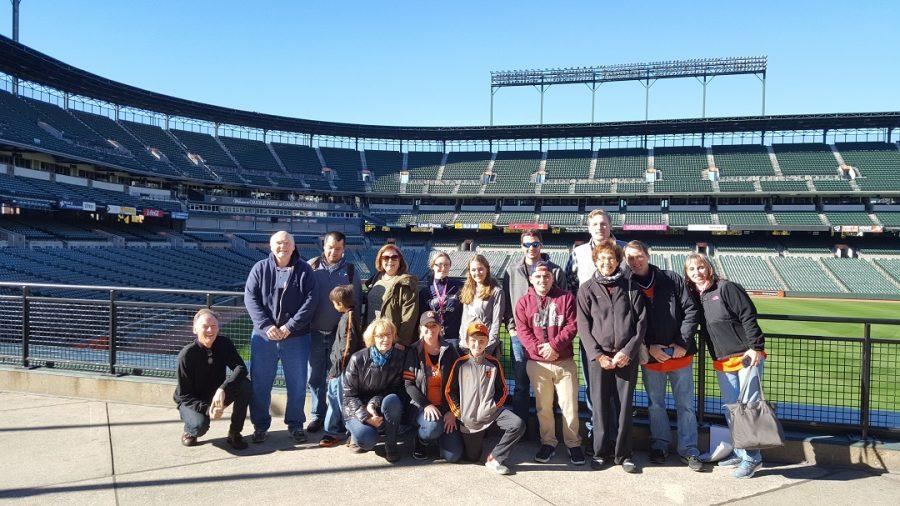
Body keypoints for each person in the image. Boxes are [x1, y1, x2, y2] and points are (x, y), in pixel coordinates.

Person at [684, 253, 767, 479]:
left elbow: (748, 315)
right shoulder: (696, 295)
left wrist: (756, 347)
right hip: (722, 359)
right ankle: (741, 452)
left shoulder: (726, 287)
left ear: (708, 268)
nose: (697, 272)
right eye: (692, 270)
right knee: (732, 408)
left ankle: (753, 458)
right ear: (688, 275)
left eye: (700, 267)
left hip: (746, 356)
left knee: (747, 408)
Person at [624, 241, 702, 472]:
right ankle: (660, 445)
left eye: (639, 256)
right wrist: (649, 347)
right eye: (630, 258)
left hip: (680, 354)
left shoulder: (671, 278)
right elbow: (629, 322)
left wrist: (682, 343)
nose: (635, 261)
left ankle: (689, 450)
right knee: (655, 405)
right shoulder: (627, 284)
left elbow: (691, 310)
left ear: (648, 255)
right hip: (651, 357)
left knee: (685, 405)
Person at [576, 239, 647, 473]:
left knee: (625, 406)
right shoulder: (586, 288)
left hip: (626, 358)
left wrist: (627, 351)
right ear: (596, 260)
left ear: (618, 261)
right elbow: (583, 327)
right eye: (602, 258)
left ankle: (624, 454)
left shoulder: (630, 287)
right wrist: (597, 355)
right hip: (599, 359)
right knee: (599, 406)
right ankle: (599, 452)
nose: (606, 262)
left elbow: (641, 324)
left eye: (611, 258)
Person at [244, 231, 319, 444]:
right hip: (263, 338)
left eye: (287, 243)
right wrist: (266, 326)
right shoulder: (259, 268)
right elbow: (250, 298)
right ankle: (260, 426)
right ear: (271, 246)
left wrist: (290, 326)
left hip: (296, 337)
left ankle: (295, 425)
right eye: (278, 242)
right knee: (260, 383)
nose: (282, 246)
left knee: (296, 384)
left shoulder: (304, 270)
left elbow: (311, 301)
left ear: (294, 247)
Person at [565, 209, 626, 450]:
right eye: (595, 224)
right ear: (589, 228)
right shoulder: (578, 253)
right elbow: (570, 288)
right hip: (591, 332)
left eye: (604, 224)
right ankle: (596, 436)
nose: (600, 228)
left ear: (610, 226)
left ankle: (618, 439)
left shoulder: (623, 248)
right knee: (595, 389)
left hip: (621, 333)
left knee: (619, 391)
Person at [514, 261, 584, 465]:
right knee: (543, 406)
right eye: (538, 277)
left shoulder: (566, 298)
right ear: (531, 279)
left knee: (569, 405)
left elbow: (573, 325)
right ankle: (548, 442)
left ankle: (573, 444)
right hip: (537, 363)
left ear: (552, 278)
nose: (542, 280)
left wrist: (554, 346)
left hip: (564, 361)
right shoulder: (523, 302)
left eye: (546, 277)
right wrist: (542, 351)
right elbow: (523, 331)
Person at [502, 231, 565, 425]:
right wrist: (512, 329)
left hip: (548, 338)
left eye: (535, 244)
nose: (531, 248)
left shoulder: (556, 271)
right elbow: (507, 302)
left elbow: (563, 303)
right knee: (521, 385)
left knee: (548, 386)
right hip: (519, 336)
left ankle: (546, 432)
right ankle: (518, 430)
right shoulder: (511, 271)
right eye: (527, 245)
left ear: (541, 245)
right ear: (521, 247)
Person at [445, 322, 525, 475]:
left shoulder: (494, 363)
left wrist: (493, 407)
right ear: (467, 342)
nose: (477, 344)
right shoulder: (460, 364)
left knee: (517, 424)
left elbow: (503, 390)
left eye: (481, 341)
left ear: (487, 342)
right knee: (473, 457)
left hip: (491, 413)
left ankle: (495, 458)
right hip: (469, 420)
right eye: (473, 340)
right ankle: (473, 442)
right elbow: (450, 391)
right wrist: (460, 414)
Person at [306, 231, 362, 435]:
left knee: (336, 378)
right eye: (330, 247)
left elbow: (355, 304)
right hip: (313, 332)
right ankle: (317, 415)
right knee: (314, 377)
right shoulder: (311, 266)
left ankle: (333, 417)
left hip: (339, 336)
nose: (333, 251)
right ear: (324, 245)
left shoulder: (351, 271)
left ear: (344, 249)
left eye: (338, 248)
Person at [174, 308, 252, 450]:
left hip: (216, 395)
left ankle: (234, 433)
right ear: (195, 329)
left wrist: (223, 388)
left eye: (214, 326)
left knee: (245, 385)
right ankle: (190, 430)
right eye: (205, 326)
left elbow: (240, 368)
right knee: (199, 426)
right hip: (192, 400)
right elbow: (184, 396)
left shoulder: (224, 344)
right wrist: (208, 409)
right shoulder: (187, 355)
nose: (210, 330)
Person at [343, 317, 407, 462]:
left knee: (393, 399)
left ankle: (391, 445)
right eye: (380, 336)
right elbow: (349, 396)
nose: (385, 339)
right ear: (372, 338)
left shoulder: (399, 357)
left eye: (389, 335)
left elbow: (395, 389)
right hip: (356, 408)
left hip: (380, 405)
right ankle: (354, 433)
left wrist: (373, 404)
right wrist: (366, 416)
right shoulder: (357, 359)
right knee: (366, 440)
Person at [404, 311, 464, 462]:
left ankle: (439, 437)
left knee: (453, 456)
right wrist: (426, 405)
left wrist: (453, 411)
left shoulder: (450, 350)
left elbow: (460, 383)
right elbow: (409, 385)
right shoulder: (413, 351)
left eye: (434, 325)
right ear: (420, 328)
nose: (430, 329)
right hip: (421, 406)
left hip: (445, 407)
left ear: (440, 328)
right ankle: (421, 440)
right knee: (432, 428)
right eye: (426, 326)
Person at [319, 284, 363, 448]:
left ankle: (336, 432)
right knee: (335, 399)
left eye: (334, 303)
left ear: (339, 304)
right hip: (339, 368)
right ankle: (335, 430)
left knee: (338, 400)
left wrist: (336, 370)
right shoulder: (348, 316)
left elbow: (346, 348)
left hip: (342, 370)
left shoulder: (349, 319)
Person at [364, 243, 419, 348]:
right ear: (380, 260)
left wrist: (401, 342)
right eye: (385, 257)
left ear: (400, 261)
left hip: (390, 340)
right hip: (373, 336)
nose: (390, 261)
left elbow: (409, 317)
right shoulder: (377, 277)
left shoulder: (406, 283)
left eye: (394, 257)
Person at [458, 254, 505, 357]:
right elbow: (464, 320)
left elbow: (496, 322)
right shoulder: (467, 290)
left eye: (480, 269)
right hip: (468, 346)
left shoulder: (496, 292)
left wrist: (488, 346)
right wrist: (463, 341)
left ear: (487, 270)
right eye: (473, 270)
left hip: (485, 346)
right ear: (469, 271)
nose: (477, 273)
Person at [419, 252, 464, 344]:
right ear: (433, 266)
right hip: (432, 337)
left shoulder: (459, 287)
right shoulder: (425, 291)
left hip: (453, 338)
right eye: (439, 264)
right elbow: (421, 319)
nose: (443, 268)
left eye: (446, 265)